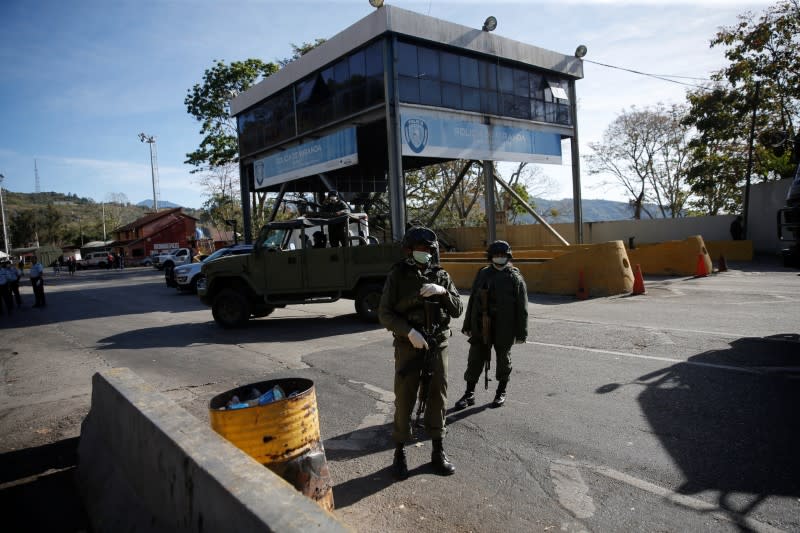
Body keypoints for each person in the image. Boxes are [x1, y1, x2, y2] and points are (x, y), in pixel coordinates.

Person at [378, 226, 463, 480]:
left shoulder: (442, 275)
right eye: (419, 249)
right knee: (405, 398)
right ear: (409, 250)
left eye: (428, 250)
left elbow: (458, 309)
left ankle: (438, 451)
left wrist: (444, 292)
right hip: (409, 345)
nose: (424, 253)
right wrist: (408, 332)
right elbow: (385, 313)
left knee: (438, 397)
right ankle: (400, 453)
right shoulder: (398, 275)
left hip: (437, 344)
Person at [454, 240, 528, 410]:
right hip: (481, 325)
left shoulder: (514, 277)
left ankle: (501, 392)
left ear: (508, 256)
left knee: (503, 361)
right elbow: (473, 300)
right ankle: (469, 393)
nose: (499, 258)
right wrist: (467, 325)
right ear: (491, 257)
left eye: (503, 255)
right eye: (496, 255)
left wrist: (521, 333)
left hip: (505, 327)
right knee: (475, 359)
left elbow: (521, 307)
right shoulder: (483, 274)